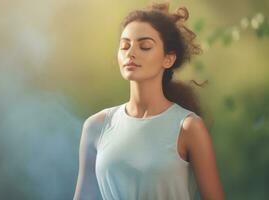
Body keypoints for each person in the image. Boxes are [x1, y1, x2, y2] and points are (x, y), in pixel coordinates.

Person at [73, 1, 225, 200]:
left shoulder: (188, 127)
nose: (131, 53)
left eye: (144, 46)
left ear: (168, 59)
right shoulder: (96, 126)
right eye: (125, 46)